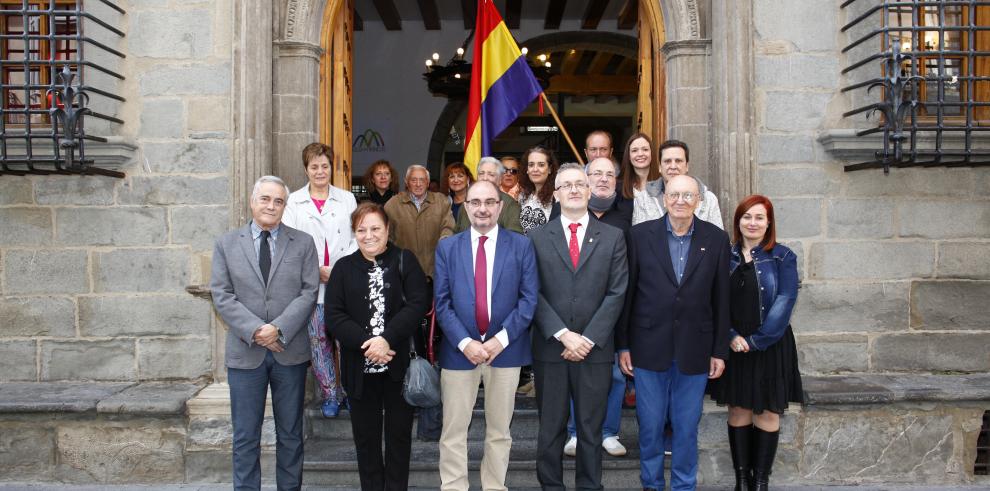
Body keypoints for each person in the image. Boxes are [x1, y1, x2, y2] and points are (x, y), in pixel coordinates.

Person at [617, 174, 731, 491]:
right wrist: (623, 344)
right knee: (650, 426)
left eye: (687, 195)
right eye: (674, 194)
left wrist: (720, 350)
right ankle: (651, 485)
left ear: (699, 201)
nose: (680, 201)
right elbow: (627, 295)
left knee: (685, 427)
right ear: (664, 198)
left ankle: (683, 486)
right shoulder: (639, 236)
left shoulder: (717, 239)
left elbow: (722, 300)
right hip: (647, 347)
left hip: (695, 350)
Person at [209, 175, 319, 491]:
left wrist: (278, 329)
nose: (271, 206)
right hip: (246, 356)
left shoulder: (303, 243)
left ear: (285, 205)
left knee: (290, 434)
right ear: (253, 201)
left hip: (290, 353)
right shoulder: (227, 244)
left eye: (278, 201)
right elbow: (221, 293)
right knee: (245, 436)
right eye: (265, 199)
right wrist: (257, 330)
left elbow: (309, 292)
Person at [433, 180, 539, 491]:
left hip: (505, 351)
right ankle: (453, 486)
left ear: (500, 206)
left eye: (490, 202)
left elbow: (529, 299)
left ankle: (495, 486)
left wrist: (500, 340)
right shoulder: (448, 247)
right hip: (458, 351)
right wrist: (466, 343)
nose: (483, 208)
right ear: (465, 207)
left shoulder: (521, 246)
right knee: (453, 430)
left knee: (499, 431)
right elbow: (442, 302)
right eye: (475, 202)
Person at [529, 163, 628, 491]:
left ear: (589, 191)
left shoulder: (613, 237)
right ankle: (551, 486)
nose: (573, 189)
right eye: (566, 185)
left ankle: (590, 486)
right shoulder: (537, 237)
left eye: (579, 184)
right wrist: (563, 334)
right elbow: (532, 292)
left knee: (590, 428)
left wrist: (587, 338)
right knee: (551, 428)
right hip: (551, 349)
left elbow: (617, 291)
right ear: (555, 194)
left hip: (594, 351)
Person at [324, 202, 431, 491]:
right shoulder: (344, 268)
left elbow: (419, 303)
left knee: (398, 438)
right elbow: (333, 316)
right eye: (361, 230)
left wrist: (386, 339)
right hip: (359, 367)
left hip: (398, 365)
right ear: (354, 233)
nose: (368, 235)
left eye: (375, 229)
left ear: (387, 230)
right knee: (366, 439)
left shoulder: (405, 260)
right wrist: (367, 344)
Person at [707, 195, 803, 491]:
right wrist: (731, 336)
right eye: (746, 216)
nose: (752, 222)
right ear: (738, 221)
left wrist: (755, 341)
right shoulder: (725, 256)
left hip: (769, 345)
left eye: (759, 217)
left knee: (768, 411)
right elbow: (714, 301)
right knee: (738, 410)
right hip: (734, 345)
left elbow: (785, 302)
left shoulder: (783, 257)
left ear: (769, 223)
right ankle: (741, 480)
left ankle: (760, 482)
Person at [555, 157, 632, 459]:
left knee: (613, 376)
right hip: (568, 321)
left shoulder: (624, 220)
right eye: (595, 173)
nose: (602, 179)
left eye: (609, 174)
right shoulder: (557, 220)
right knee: (573, 377)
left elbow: (625, 277)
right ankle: (575, 431)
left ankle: (609, 431)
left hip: (611, 316)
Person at [282, 143, 357, 419]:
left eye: (325, 166)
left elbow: (355, 238)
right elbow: (290, 243)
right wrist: (316, 269)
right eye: (314, 166)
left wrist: (337, 270)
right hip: (311, 286)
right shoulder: (293, 202)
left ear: (331, 168)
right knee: (318, 340)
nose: (320, 171)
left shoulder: (347, 199)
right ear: (306, 169)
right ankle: (330, 394)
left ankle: (349, 391)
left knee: (346, 341)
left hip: (343, 283)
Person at [383, 164, 455, 279]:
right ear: (406, 182)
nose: (418, 184)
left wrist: (445, 240)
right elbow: (387, 237)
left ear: (428, 182)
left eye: (422, 180)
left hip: (435, 271)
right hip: (404, 273)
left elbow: (448, 226)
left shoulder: (441, 201)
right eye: (413, 180)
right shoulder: (393, 204)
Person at [650, 139, 724, 228]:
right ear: (660, 167)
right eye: (667, 161)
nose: (673, 166)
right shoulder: (644, 199)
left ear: (687, 166)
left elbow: (717, 238)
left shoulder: (709, 199)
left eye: (678, 161)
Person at [454, 157, 523, 234]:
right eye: (481, 173)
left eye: (491, 174)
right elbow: (457, 235)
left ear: (500, 180)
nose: (485, 178)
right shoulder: (467, 203)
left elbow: (515, 239)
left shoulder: (510, 205)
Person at [619, 132, 662, 226]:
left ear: (652, 153)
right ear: (629, 156)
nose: (640, 154)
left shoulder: (664, 184)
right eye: (634, 150)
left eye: (645, 149)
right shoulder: (619, 188)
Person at [517, 146, 559, 233]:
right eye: (531, 165)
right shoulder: (522, 196)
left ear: (550, 169)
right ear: (527, 169)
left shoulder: (557, 197)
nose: (535, 169)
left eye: (541, 165)